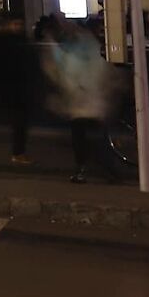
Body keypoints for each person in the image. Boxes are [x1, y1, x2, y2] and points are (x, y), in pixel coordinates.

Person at [45, 16, 118, 182]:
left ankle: (87, 171)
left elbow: (63, 72)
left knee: (84, 140)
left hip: (82, 103)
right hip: (91, 102)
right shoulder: (91, 46)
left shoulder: (74, 49)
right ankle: (106, 172)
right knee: (95, 139)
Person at [0, 16, 40, 164]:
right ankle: (18, 153)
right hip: (15, 89)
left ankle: (18, 152)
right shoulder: (14, 43)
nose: (18, 27)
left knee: (19, 122)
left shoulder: (1, 42)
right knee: (20, 122)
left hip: (14, 89)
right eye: (15, 24)